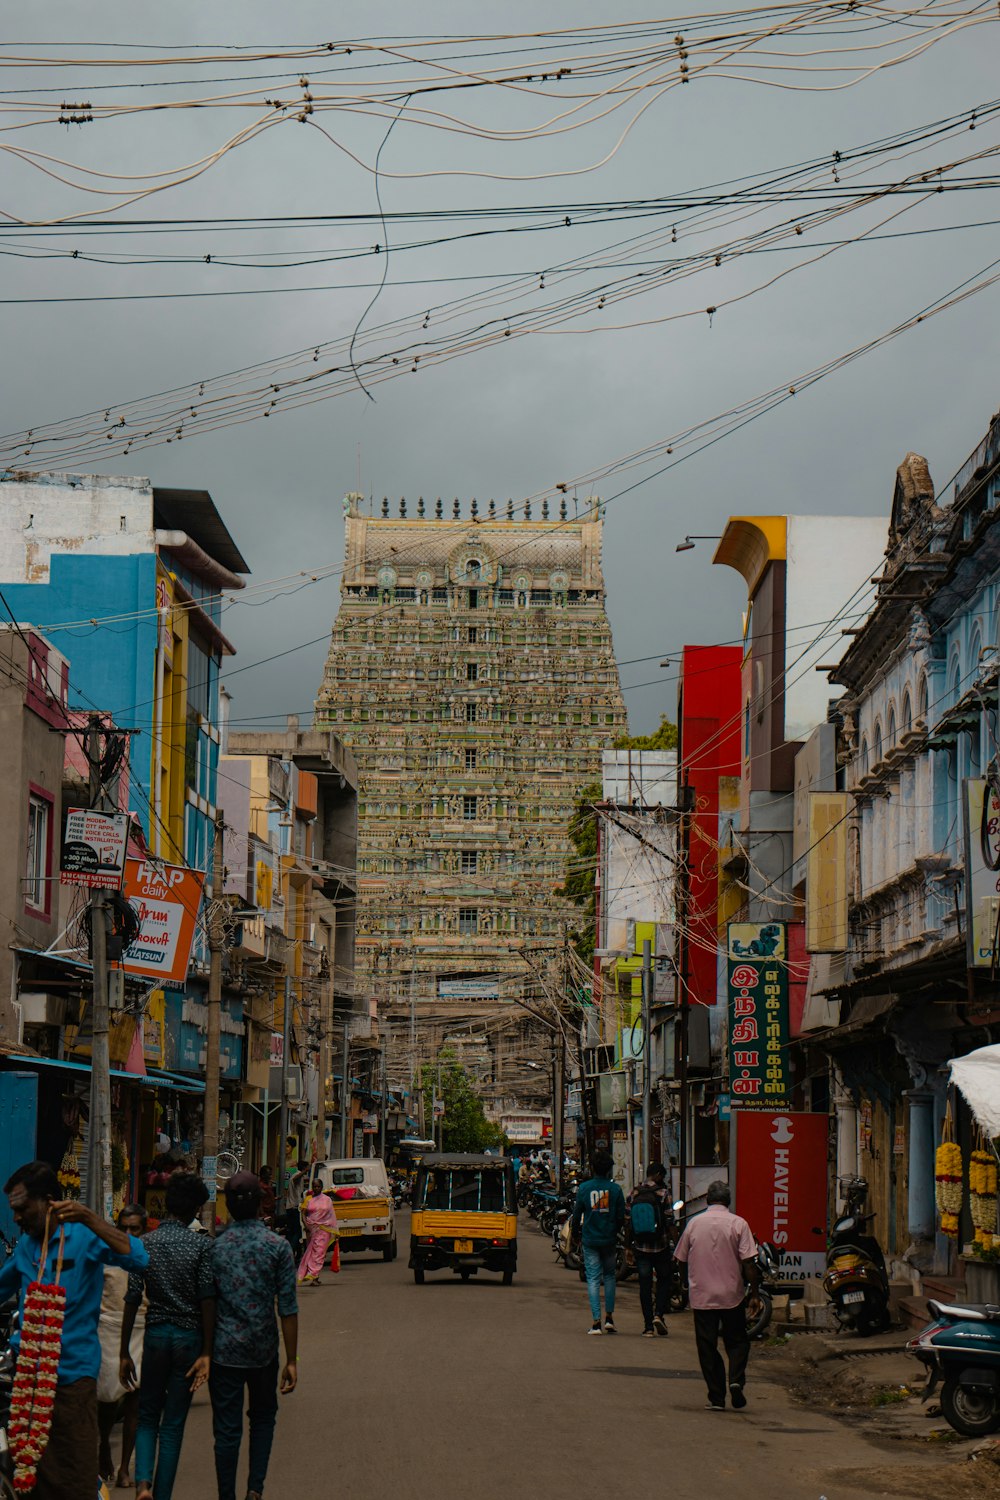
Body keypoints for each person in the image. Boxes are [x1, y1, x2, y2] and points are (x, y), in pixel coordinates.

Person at [0, 1160, 148, 1500]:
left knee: (74, 1479)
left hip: (72, 1382)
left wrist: (89, 1217)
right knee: (30, 1475)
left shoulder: (84, 1237)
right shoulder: (25, 1246)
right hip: (28, 1379)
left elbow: (138, 1258)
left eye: (23, 1209)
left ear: (50, 1201)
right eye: (14, 1210)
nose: (17, 1218)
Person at [120, 1173, 215, 1500]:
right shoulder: (203, 1245)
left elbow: (132, 1298)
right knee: (172, 1427)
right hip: (188, 1338)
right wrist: (207, 1351)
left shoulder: (144, 1244)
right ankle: (160, 1495)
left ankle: (142, 1482)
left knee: (147, 1416)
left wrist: (123, 1352)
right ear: (194, 1210)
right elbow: (207, 1300)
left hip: (155, 1335)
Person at [210, 1171, 299, 1500]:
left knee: (227, 1430)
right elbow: (287, 1308)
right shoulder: (277, 1247)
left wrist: (205, 1351)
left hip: (224, 1352)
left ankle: (226, 1495)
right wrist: (292, 1360)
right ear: (262, 1204)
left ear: (229, 1206)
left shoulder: (216, 1249)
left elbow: (207, 1305)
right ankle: (255, 1489)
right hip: (263, 1350)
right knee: (262, 1418)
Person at [672, 1180, 760, 1411]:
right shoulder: (739, 1224)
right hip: (732, 1295)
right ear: (728, 1201)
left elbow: (680, 1258)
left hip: (702, 1295)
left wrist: (684, 1285)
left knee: (707, 1346)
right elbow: (749, 1262)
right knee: (737, 1341)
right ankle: (735, 1380)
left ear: (708, 1200)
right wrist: (755, 1293)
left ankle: (717, 1397)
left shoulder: (694, 1224)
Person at [98, 1203, 149, 1487]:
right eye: (124, 1228)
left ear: (144, 1230)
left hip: (141, 1329)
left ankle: (124, 1467)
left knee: (134, 1402)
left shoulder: (146, 1256)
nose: (128, 1233)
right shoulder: (105, 1254)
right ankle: (104, 1445)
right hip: (107, 1328)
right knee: (106, 1399)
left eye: (135, 1229)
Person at [570, 1148, 626, 1335]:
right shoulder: (616, 1190)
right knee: (609, 1277)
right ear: (609, 1169)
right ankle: (609, 1318)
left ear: (593, 1168)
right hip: (609, 1240)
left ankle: (596, 1323)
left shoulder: (584, 1188)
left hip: (590, 1240)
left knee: (593, 1279)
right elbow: (620, 1217)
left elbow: (577, 1215)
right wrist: (613, 1231)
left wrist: (576, 1234)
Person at [628, 1162, 673, 1338]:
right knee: (664, 1281)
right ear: (658, 1175)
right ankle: (658, 1314)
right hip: (660, 1246)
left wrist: (627, 1246)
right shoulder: (663, 1193)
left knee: (644, 1286)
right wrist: (675, 1243)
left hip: (640, 1246)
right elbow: (669, 1221)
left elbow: (628, 1220)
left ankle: (648, 1327)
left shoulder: (635, 1192)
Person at [297, 1177, 338, 1285]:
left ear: (322, 1187)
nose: (316, 1188)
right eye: (314, 1186)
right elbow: (303, 1214)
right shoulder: (308, 1199)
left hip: (324, 1230)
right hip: (311, 1230)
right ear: (312, 1187)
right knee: (312, 1253)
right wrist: (306, 1225)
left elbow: (331, 1215)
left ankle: (313, 1274)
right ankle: (314, 1276)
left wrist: (333, 1229)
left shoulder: (327, 1200)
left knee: (319, 1253)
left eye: (318, 1186)